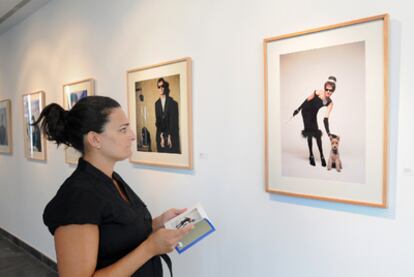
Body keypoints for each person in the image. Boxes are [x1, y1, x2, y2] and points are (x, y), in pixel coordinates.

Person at [33, 96, 192, 276]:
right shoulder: (78, 197)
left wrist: (158, 223)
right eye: (123, 130)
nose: (132, 135)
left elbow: (119, 235)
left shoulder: (112, 179)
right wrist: (150, 248)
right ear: (95, 139)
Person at [292, 76, 337, 166]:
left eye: (330, 90)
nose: (328, 91)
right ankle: (311, 155)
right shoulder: (318, 92)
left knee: (317, 134)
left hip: (313, 114)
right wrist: (298, 109)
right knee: (309, 132)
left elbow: (325, 119)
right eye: (327, 89)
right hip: (305, 111)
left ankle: (322, 156)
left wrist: (328, 133)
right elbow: (307, 99)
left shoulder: (330, 103)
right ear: (324, 88)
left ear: (333, 91)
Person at [155, 78, 180, 153]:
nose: (161, 88)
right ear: (158, 89)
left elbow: (173, 121)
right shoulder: (156, 104)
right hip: (160, 136)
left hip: (171, 136)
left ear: (165, 87)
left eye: (162, 86)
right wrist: (161, 136)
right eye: (159, 87)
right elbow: (158, 121)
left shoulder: (172, 103)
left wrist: (169, 136)